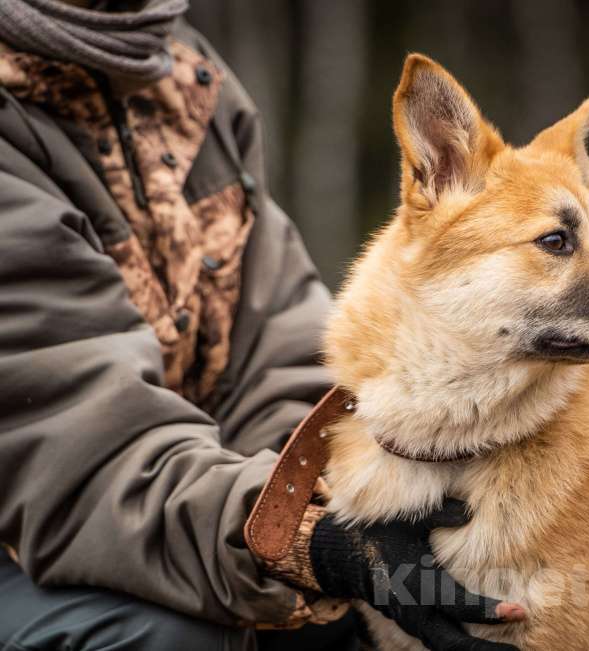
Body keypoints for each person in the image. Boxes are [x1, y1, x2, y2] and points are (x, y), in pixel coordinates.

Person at [0, 1, 522, 649]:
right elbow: (83, 457)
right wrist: (310, 539)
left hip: (169, 500)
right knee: (166, 638)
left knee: (353, 611)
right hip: (40, 533)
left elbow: (281, 350)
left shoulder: (178, 70)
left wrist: (375, 487)